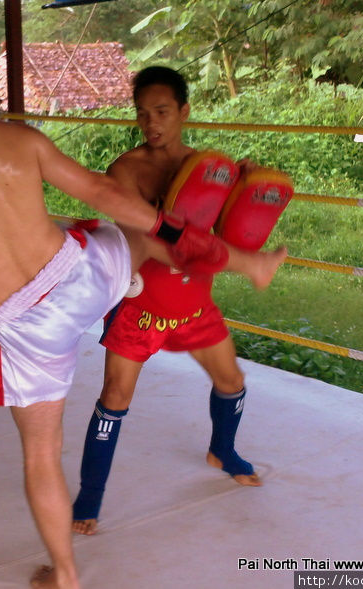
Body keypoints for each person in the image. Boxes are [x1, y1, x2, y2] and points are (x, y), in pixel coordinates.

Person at [0, 39, 285, 589]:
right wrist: (160, 226)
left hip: (25, 326)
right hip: (84, 276)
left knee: (41, 455)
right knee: (135, 233)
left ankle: (65, 574)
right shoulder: (15, 137)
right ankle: (244, 262)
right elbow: (100, 191)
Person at [72, 66, 286, 536]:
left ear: (184, 111)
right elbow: (145, 240)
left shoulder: (209, 168)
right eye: (143, 114)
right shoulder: (125, 171)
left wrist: (244, 190)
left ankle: (222, 451)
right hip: (142, 306)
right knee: (114, 397)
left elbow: (233, 231)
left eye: (163, 112)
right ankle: (89, 498)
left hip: (193, 303)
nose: (152, 123)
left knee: (231, 381)